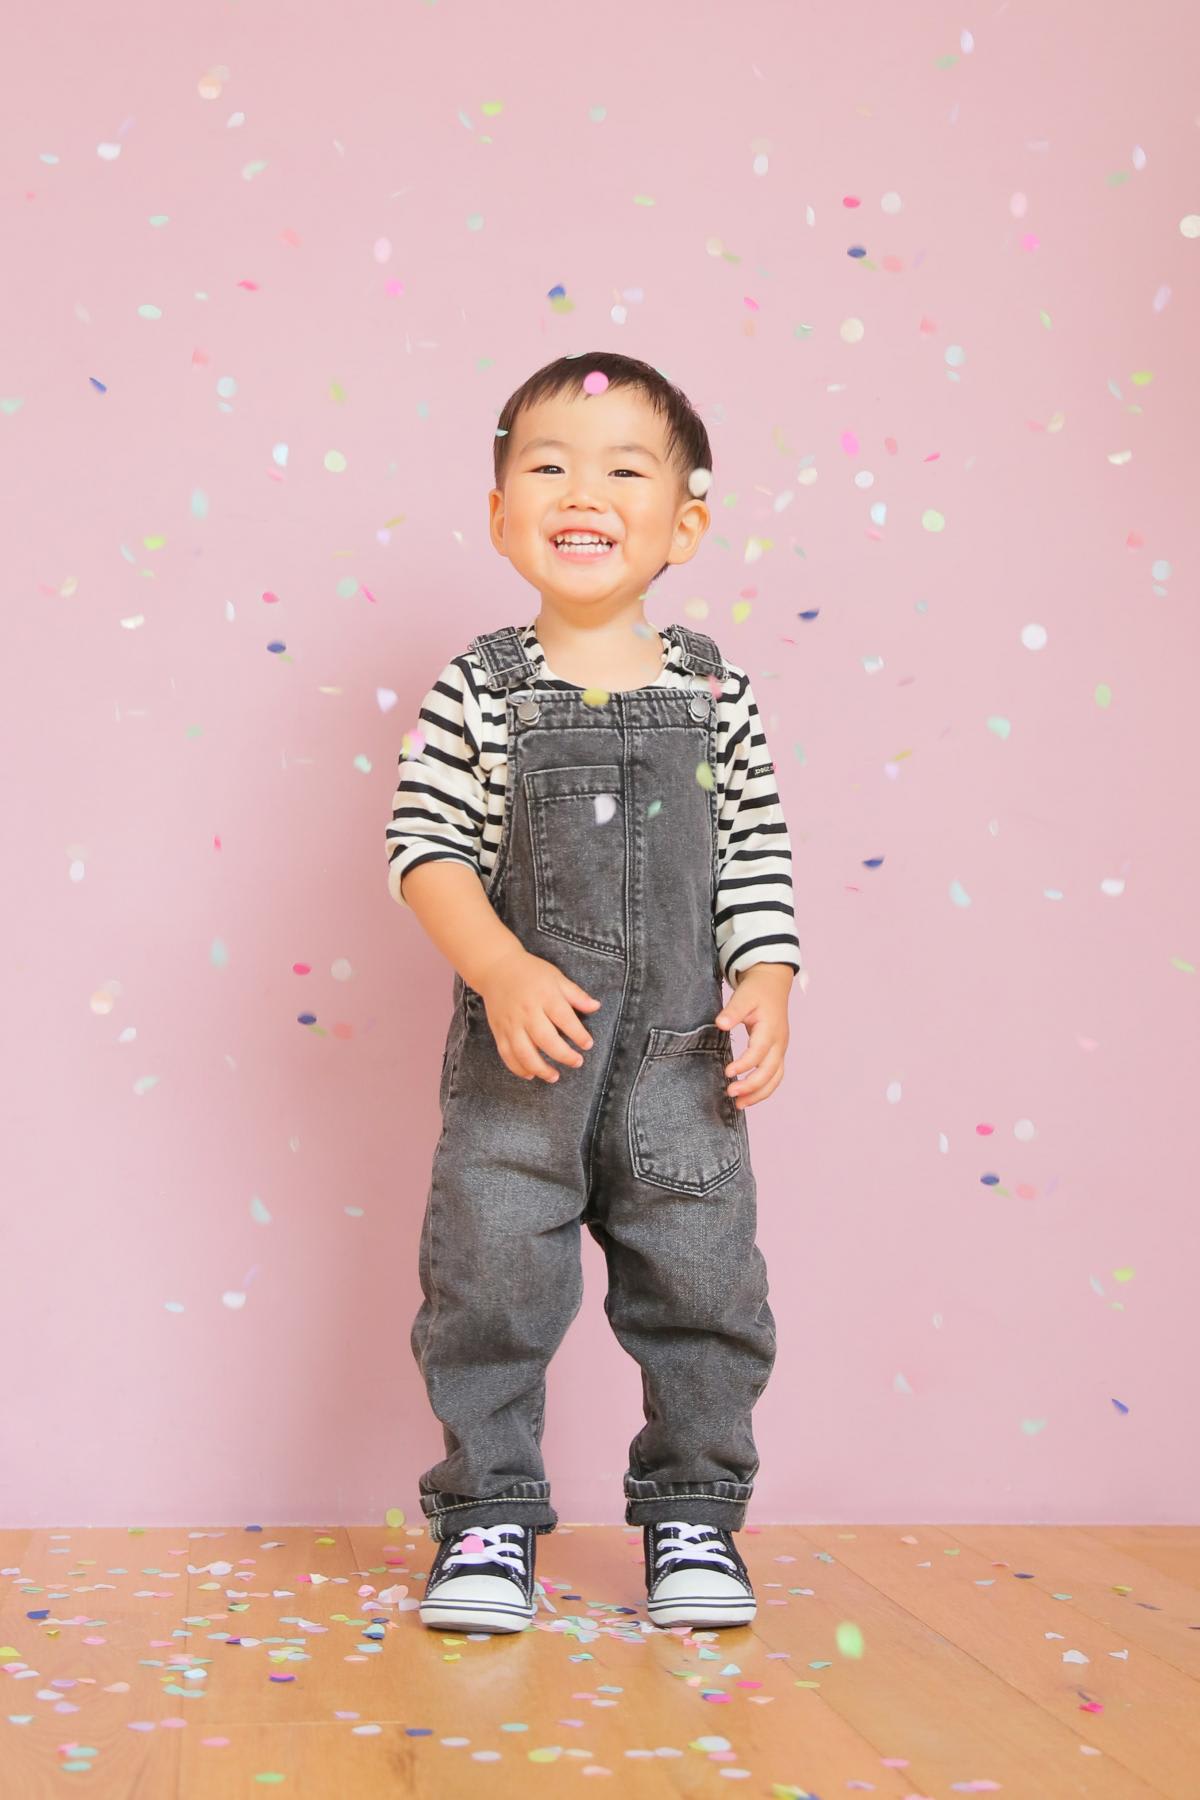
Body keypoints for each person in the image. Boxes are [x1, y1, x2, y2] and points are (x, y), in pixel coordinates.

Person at [386, 350, 802, 1635]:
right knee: (490, 1291)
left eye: (625, 470)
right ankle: (487, 1519)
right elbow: (425, 848)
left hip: (682, 1070)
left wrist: (768, 977)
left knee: (705, 1291)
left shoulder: (715, 694)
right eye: (550, 467)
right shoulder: (480, 689)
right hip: (524, 1072)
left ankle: (694, 1513)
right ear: (500, 513)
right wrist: (500, 965)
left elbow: (755, 856)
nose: (583, 492)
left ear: (685, 524)